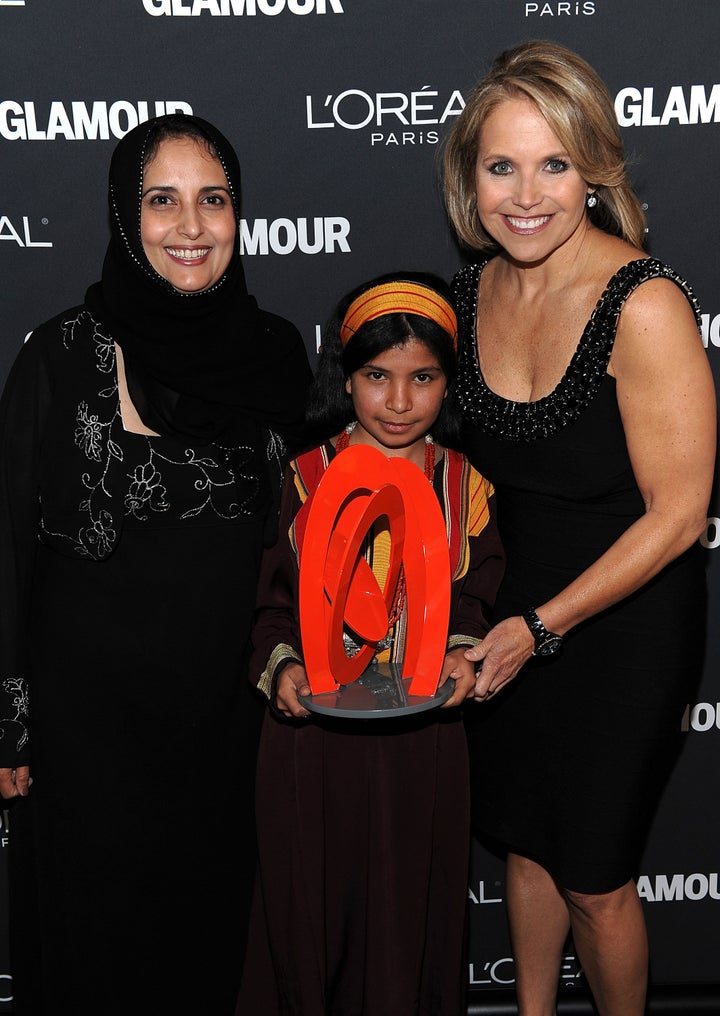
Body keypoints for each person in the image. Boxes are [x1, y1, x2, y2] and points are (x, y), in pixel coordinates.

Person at [0, 113, 312, 1016]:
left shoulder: (276, 357)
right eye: (161, 200)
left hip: (227, 731)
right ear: (123, 217)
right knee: (97, 958)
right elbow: (9, 542)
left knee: (214, 951)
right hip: (86, 740)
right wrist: (9, 724)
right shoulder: (60, 357)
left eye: (213, 200)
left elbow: (305, 540)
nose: (191, 226)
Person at [441, 39, 716, 1016]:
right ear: (468, 177)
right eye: (502, 165)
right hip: (514, 604)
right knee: (524, 839)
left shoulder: (642, 302)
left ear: (593, 169)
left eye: (554, 164)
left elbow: (681, 514)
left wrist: (544, 625)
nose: (527, 194)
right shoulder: (472, 294)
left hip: (625, 618)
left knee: (595, 876)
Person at [235, 272, 505, 1016]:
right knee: (307, 917)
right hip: (311, 744)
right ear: (345, 377)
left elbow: (479, 595)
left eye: (422, 379)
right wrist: (284, 668)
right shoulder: (302, 477)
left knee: (409, 920)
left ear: (449, 384)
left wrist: (461, 650)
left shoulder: (465, 485)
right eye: (376, 377)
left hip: (423, 743)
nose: (397, 401)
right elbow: (267, 606)